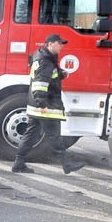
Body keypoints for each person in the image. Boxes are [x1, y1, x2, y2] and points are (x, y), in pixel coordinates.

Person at [12, 33, 84, 174]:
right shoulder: (46, 61)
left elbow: (48, 77)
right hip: (45, 107)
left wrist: (60, 74)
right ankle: (66, 164)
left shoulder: (45, 58)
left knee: (31, 134)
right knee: (54, 136)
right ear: (50, 44)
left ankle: (18, 162)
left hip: (38, 106)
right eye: (59, 43)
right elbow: (39, 84)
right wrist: (42, 104)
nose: (62, 46)